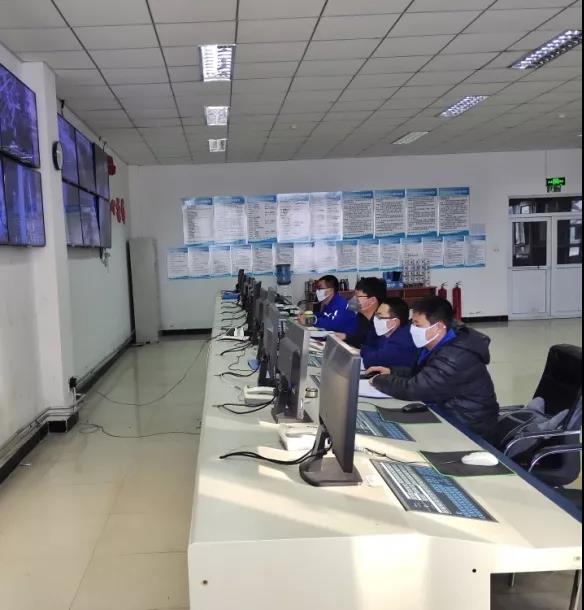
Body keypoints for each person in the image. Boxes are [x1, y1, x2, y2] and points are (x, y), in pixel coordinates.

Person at [367, 296, 500, 439]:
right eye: (412, 323)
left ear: (438, 327)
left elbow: (415, 389)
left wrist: (380, 380)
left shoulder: (454, 356)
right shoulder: (436, 344)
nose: (412, 329)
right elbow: (423, 374)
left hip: (469, 426)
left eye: (418, 325)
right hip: (447, 412)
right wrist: (392, 371)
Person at [361, 297, 418, 370]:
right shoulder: (388, 332)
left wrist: (365, 350)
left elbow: (370, 361)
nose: (375, 319)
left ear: (394, 322)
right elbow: (371, 344)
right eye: (375, 315)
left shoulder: (402, 340)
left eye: (379, 316)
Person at [338, 277, 387, 349]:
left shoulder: (383, 323)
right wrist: (344, 336)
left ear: (372, 301)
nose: (353, 299)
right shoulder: (362, 316)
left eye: (357, 296)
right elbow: (360, 339)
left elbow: (374, 349)